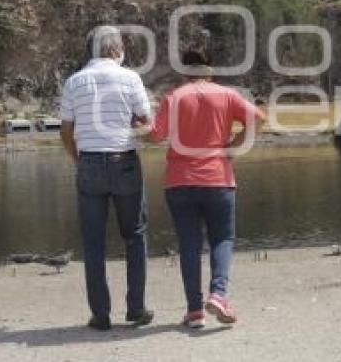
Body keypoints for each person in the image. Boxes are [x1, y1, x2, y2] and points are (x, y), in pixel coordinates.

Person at [146, 49, 264, 329]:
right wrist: (233, 145)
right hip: (217, 178)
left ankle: (195, 310)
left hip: (180, 180)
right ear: (210, 69)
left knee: (189, 245)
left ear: (185, 72)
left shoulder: (174, 97)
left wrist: (137, 122)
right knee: (222, 239)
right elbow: (258, 119)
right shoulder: (226, 95)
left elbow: (154, 136)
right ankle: (219, 295)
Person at [59, 26, 153, 331]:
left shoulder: (74, 82)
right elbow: (146, 122)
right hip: (124, 160)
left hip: (89, 162)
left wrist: (79, 159)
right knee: (135, 235)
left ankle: (100, 314)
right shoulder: (130, 78)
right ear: (115, 49)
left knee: (93, 241)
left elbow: (65, 130)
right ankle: (136, 308)